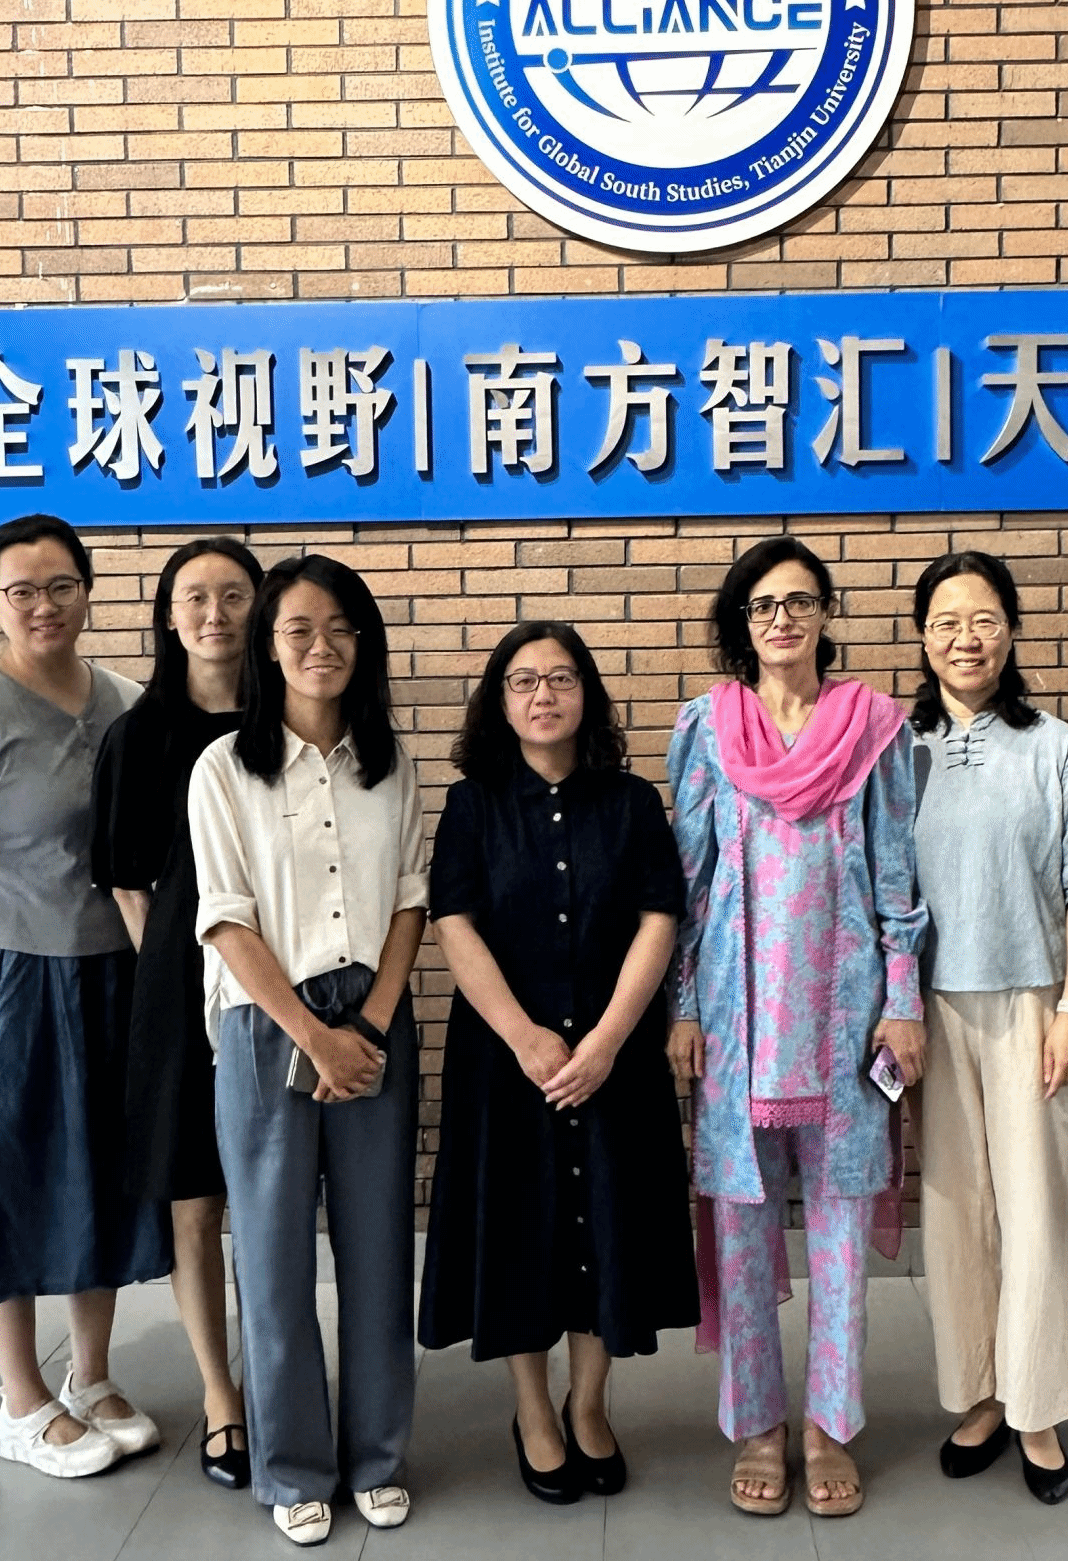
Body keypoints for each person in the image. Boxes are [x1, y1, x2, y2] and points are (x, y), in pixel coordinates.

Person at [0, 514, 170, 1480]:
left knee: (98, 1170)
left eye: (61, 585)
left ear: (88, 591)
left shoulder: (128, 703)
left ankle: (90, 1376)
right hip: (9, 981)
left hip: (112, 974)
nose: (43, 605)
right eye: (21, 591)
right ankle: (20, 1401)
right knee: (5, 1173)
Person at [667, 535, 927, 1520]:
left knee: (841, 1234)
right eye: (763, 604)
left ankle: (828, 1425)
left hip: (845, 1021)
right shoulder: (707, 726)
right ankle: (757, 1424)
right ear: (742, 622)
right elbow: (688, 881)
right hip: (736, 1024)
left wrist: (901, 999)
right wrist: (683, 1005)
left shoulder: (873, 727)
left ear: (825, 614)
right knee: (738, 1229)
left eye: (800, 601)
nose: (781, 618)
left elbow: (896, 874)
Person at [420, 622, 698, 1503]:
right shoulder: (472, 806)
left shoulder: (631, 802)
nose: (544, 695)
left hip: (615, 1057)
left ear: (588, 694)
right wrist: (525, 1037)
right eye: (524, 680)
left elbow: (660, 917)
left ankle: (588, 1402)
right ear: (499, 701)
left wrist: (608, 1039)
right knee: (519, 1228)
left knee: (606, 1223)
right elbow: (453, 922)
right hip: (507, 1063)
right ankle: (533, 1409)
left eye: (562, 678)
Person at [187, 553, 426, 1547]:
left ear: (362, 643)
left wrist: (366, 1026)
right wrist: (313, 1034)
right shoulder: (223, 768)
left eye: (338, 627)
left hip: (374, 1016)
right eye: (297, 629)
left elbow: (410, 902)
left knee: (378, 1248)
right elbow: (224, 917)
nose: (320, 645)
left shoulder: (390, 761)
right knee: (273, 1254)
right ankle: (291, 1465)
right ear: (268, 645)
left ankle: (376, 1455)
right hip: (265, 1021)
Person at [908, 551, 1068, 1506]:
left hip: (1032, 1003)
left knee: (1035, 1212)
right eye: (947, 622)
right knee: (957, 1209)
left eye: (985, 620)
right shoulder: (896, 748)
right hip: (927, 1007)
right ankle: (981, 1394)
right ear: (922, 636)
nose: (967, 639)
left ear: (1012, 631)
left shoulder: (1055, 747)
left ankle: (1036, 1409)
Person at [91, 536, 263, 1491]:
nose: (214, 613)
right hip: (179, 993)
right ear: (167, 615)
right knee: (195, 1200)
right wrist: (185, 977)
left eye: (233, 595)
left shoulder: (289, 719)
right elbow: (128, 885)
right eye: (194, 596)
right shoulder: (140, 734)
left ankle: (279, 1372)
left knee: (274, 1199)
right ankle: (220, 1395)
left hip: (286, 992)